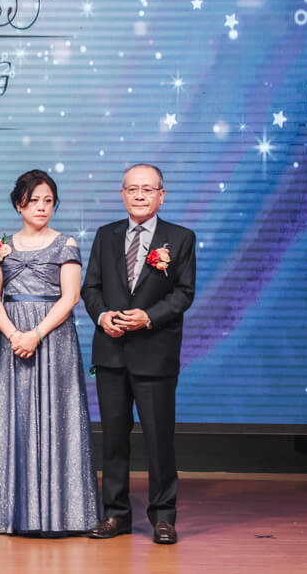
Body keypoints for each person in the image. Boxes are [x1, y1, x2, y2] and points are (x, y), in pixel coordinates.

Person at [81, 164, 196, 545]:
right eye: (132, 189)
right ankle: (115, 514)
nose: (140, 195)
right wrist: (102, 316)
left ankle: (163, 517)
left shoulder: (180, 238)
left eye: (148, 189)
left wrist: (149, 317)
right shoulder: (106, 235)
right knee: (114, 439)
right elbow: (91, 288)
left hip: (155, 354)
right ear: (122, 195)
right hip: (111, 352)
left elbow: (184, 293)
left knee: (159, 440)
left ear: (162, 195)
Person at [0, 170, 99, 535]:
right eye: (34, 200)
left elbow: (71, 296)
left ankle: (63, 513)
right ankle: (12, 514)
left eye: (48, 200)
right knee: (13, 417)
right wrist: (14, 335)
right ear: (19, 204)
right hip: (13, 338)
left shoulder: (65, 243)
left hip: (53, 337)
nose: (42, 207)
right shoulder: (2, 246)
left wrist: (35, 334)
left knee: (57, 417)